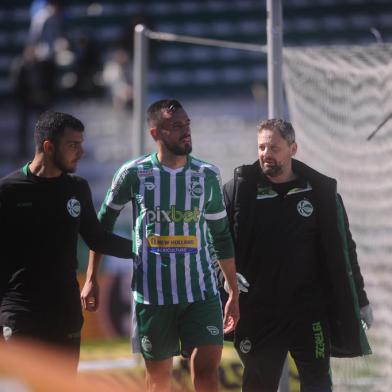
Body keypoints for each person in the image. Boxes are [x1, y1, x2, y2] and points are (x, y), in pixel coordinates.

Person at [81, 99, 240, 392]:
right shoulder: (133, 173)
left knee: (206, 373)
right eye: (176, 126)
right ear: (156, 134)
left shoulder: (207, 175)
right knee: (158, 381)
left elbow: (221, 235)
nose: (186, 131)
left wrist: (232, 290)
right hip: (153, 297)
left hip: (201, 293)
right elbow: (101, 227)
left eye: (187, 124)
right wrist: (91, 278)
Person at [222, 119, 373, 392]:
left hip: (309, 310)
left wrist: (360, 300)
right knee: (257, 385)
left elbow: (344, 248)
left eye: (274, 147)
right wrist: (226, 275)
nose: (266, 153)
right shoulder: (239, 190)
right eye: (261, 147)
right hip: (260, 311)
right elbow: (216, 243)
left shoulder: (318, 192)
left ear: (293, 149)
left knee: (318, 383)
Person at [0, 111, 133, 372]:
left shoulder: (77, 188)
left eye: (81, 144)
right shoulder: (8, 191)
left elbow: (97, 238)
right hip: (20, 313)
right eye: (73, 145)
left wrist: (145, 249)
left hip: (65, 312)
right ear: (48, 147)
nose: (81, 152)